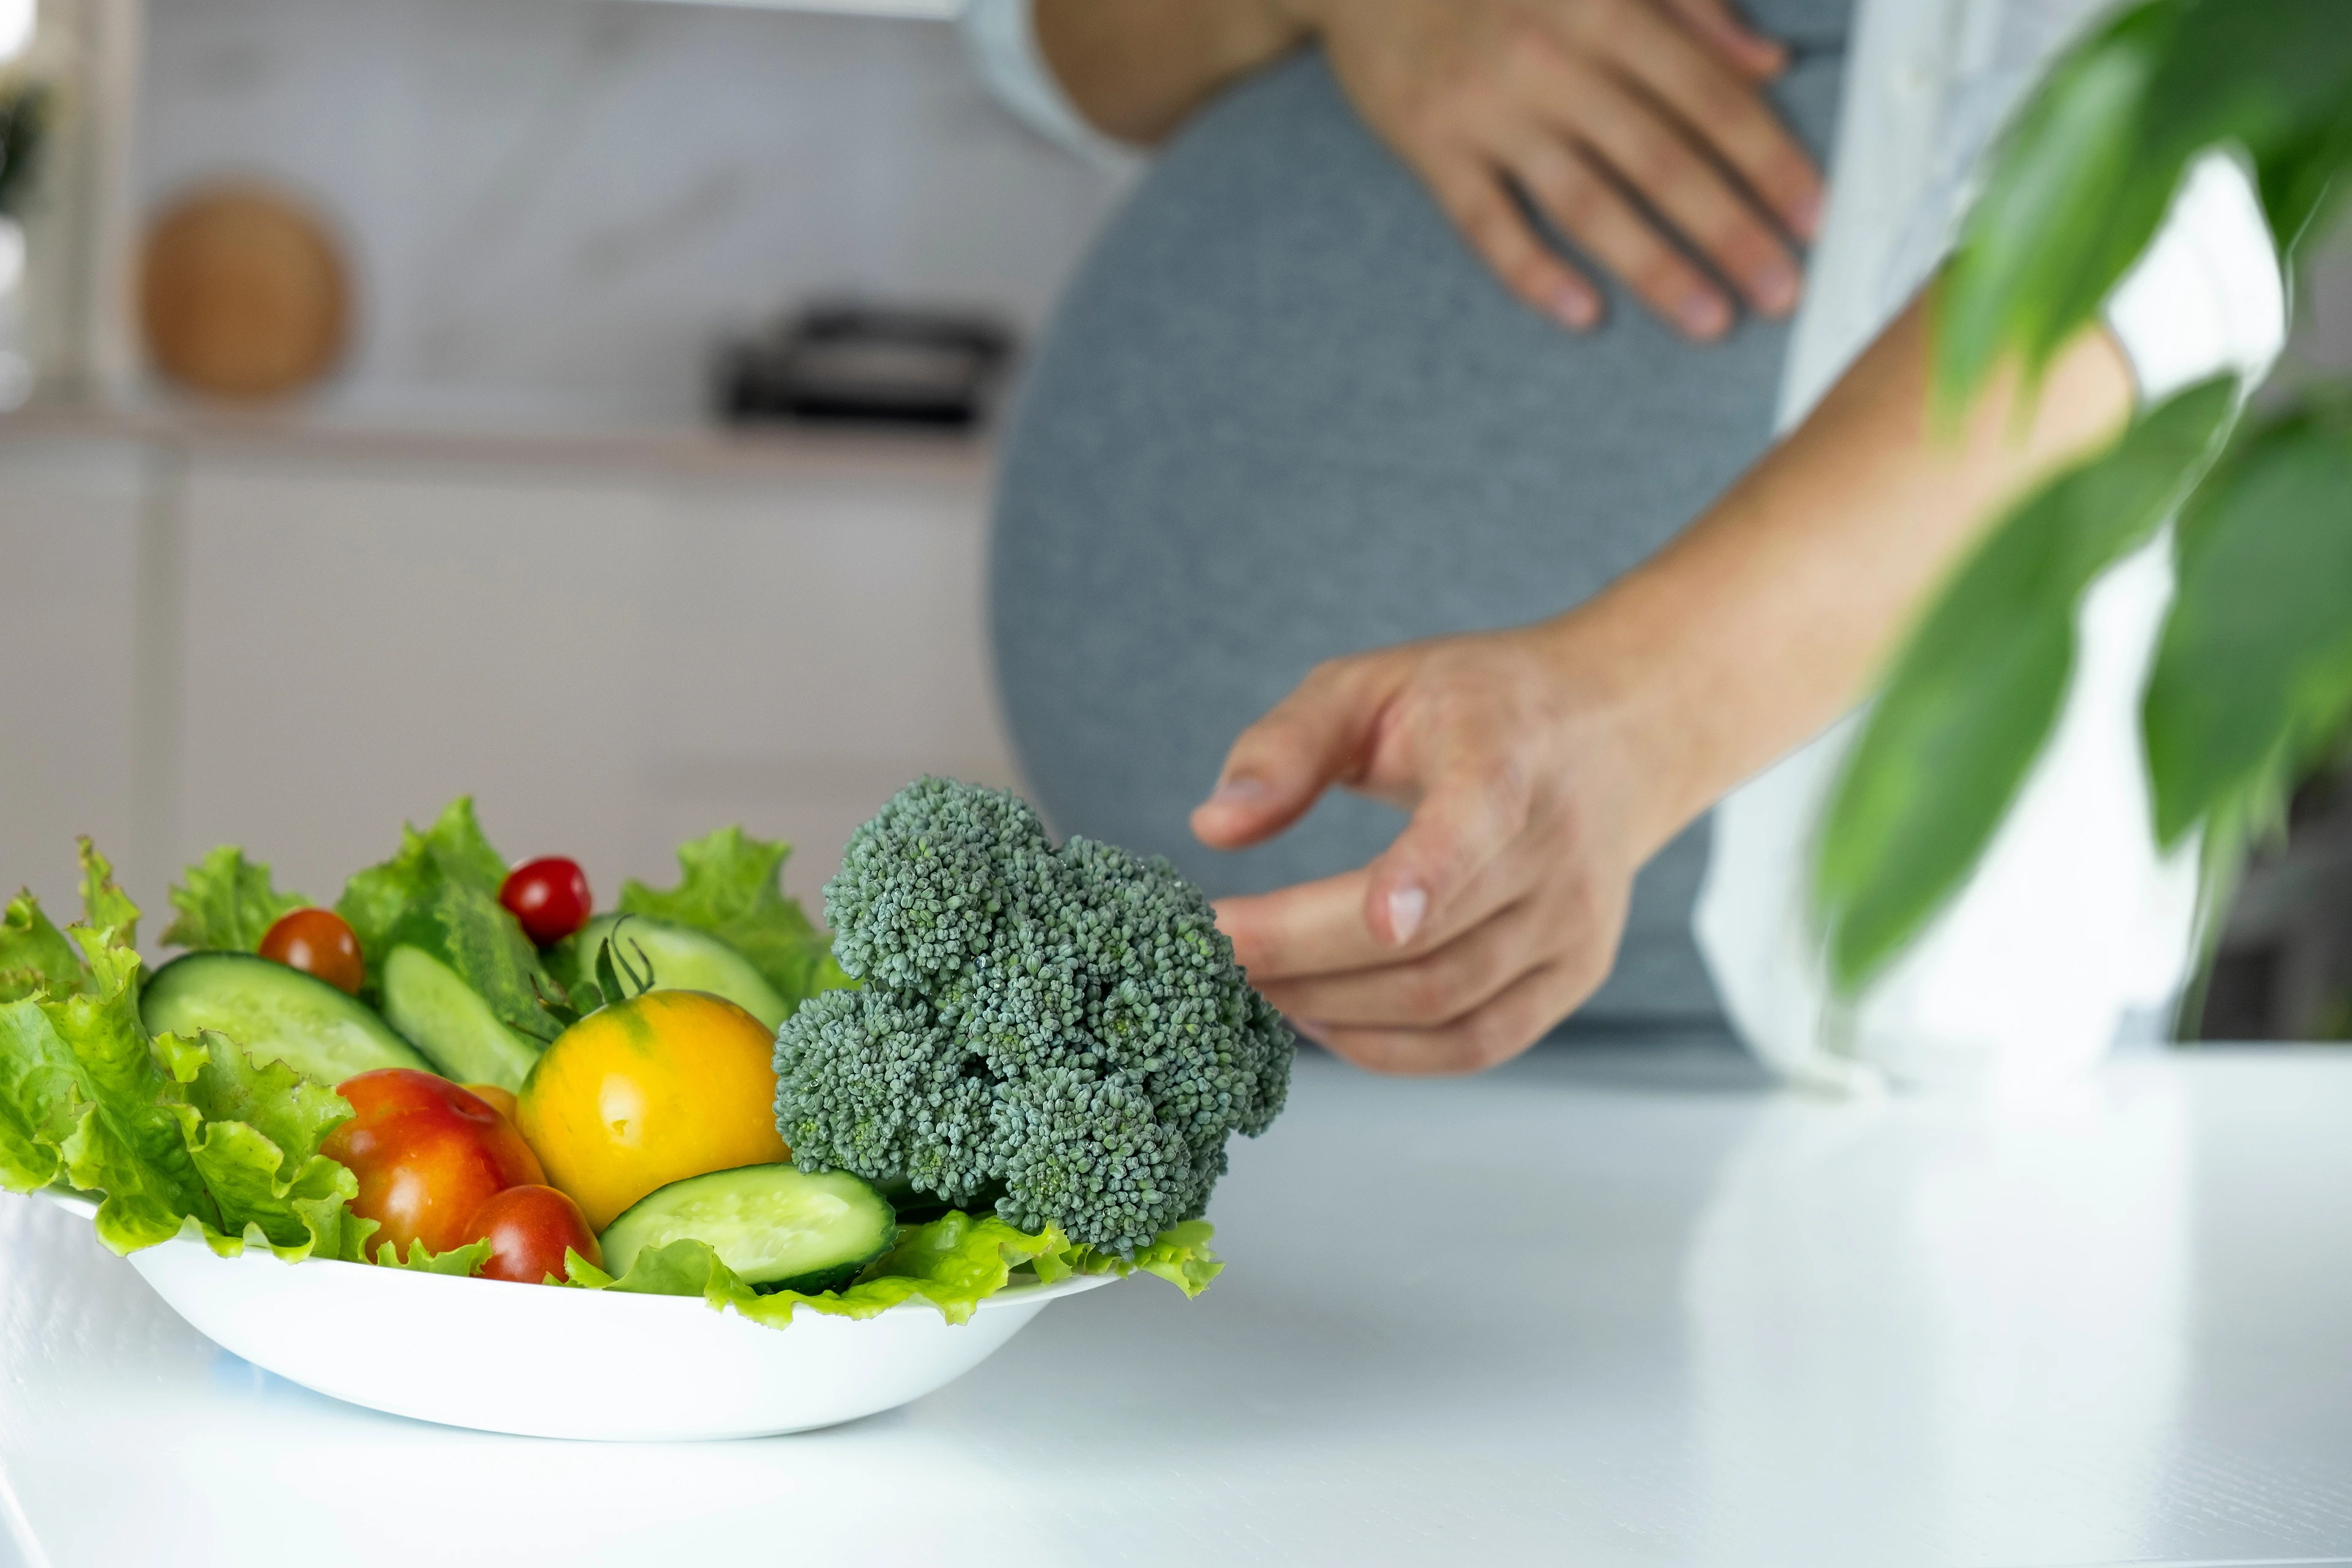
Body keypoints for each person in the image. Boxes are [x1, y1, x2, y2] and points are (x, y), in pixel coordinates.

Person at [963, 0, 2286, 1081]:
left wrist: (1627, 725)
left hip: (1773, 1069)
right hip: (1222, 1045)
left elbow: (2150, 242)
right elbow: (1044, 42)